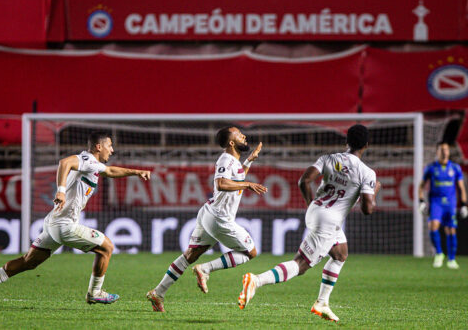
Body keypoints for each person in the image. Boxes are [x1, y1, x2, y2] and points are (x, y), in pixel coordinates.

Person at [0, 132, 151, 310]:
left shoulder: (93, 165)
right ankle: (95, 293)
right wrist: (61, 191)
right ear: (98, 147)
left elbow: (111, 171)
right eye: (109, 146)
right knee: (107, 248)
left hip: (53, 224)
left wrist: (136, 172)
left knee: (29, 262)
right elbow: (65, 163)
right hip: (65, 225)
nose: (111, 150)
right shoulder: (86, 160)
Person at [238, 124, 381, 323]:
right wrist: (375, 191)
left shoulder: (328, 159)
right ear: (367, 144)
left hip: (316, 209)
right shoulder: (367, 173)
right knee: (301, 264)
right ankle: (256, 280)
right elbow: (367, 209)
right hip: (329, 221)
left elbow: (304, 181)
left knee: (340, 254)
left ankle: (322, 303)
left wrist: (312, 205)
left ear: (346, 141)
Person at [146, 126, 268, 312]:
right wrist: (249, 184)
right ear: (231, 142)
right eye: (238, 133)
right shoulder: (226, 159)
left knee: (190, 255)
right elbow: (221, 183)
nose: (244, 135)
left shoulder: (234, 162)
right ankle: (206, 269)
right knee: (250, 253)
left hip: (209, 213)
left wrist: (249, 162)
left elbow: (236, 177)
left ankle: (158, 293)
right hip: (219, 218)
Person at [418, 142, 467, 269]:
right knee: (433, 225)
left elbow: (461, 187)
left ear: (449, 152)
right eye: (441, 149)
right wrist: (421, 201)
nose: (444, 151)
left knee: (451, 229)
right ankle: (439, 253)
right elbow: (421, 186)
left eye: (446, 149)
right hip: (436, 202)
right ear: (437, 152)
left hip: (450, 203)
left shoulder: (455, 168)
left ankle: (451, 259)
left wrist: (464, 204)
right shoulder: (431, 168)